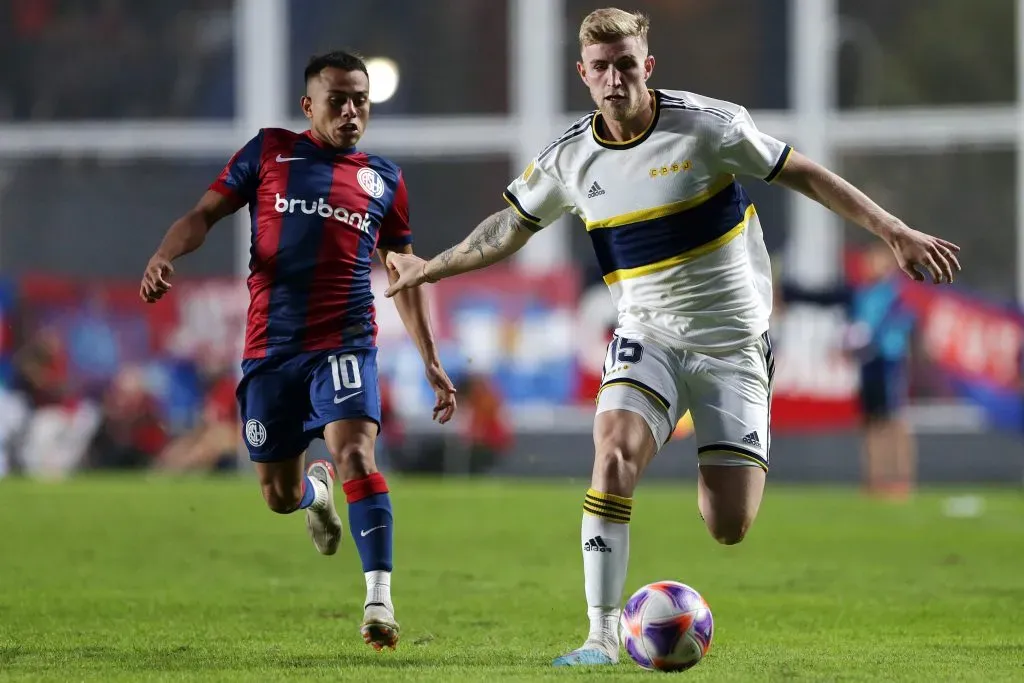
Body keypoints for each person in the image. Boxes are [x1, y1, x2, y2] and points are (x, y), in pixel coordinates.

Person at [383, 8, 960, 667]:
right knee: (612, 455)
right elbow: (506, 230)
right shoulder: (570, 159)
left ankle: (713, 464)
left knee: (729, 524)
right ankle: (599, 636)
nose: (614, 78)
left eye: (626, 64)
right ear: (583, 75)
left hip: (734, 347)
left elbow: (801, 171)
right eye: (600, 67)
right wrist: (433, 265)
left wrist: (890, 228)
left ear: (646, 66)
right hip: (646, 336)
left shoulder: (707, 126)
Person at [139, 50, 457, 651]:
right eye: (337, 99)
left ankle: (378, 601)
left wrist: (430, 360)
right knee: (278, 497)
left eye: (360, 99)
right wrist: (165, 255)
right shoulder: (268, 152)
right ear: (309, 105)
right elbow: (204, 214)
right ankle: (315, 493)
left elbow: (403, 273)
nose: (351, 110)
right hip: (270, 350)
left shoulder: (383, 178)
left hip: (344, 340)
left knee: (357, 455)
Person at [780, 242, 919, 499]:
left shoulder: (896, 294)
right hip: (867, 364)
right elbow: (824, 299)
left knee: (894, 420)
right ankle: (875, 479)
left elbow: (893, 326)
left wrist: (860, 340)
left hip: (888, 363)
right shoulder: (860, 293)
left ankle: (902, 479)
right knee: (869, 421)